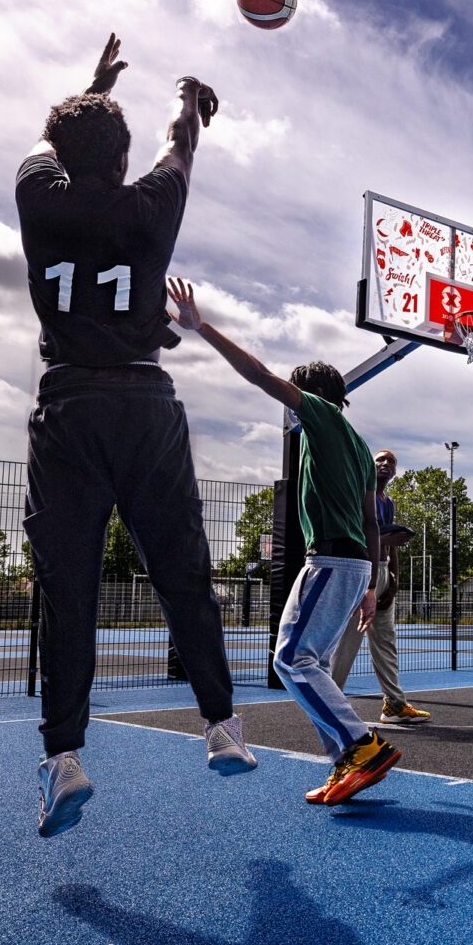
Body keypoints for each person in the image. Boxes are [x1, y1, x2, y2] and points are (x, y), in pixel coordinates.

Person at [16, 35, 255, 839]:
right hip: (145, 405)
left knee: (69, 588)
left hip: (71, 405)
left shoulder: (36, 195)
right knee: (183, 571)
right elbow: (178, 146)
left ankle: (65, 760)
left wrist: (92, 85)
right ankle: (222, 728)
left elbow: (48, 141)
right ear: (122, 160)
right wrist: (188, 100)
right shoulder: (152, 204)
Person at [164, 277, 401, 806]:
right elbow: (372, 519)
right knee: (302, 662)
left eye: (296, 400)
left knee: (293, 660)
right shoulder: (362, 449)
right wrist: (371, 583)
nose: (291, 410)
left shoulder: (321, 415)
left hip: (334, 560)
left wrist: (202, 328)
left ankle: (362, 746)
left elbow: (258, 374)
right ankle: (348, 759)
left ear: (312, 396)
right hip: (355, 564)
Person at [331, 450, 431, 724]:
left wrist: (394, 579)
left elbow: (389, 544)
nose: (386, 464)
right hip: (361, 571)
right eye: (381, 460)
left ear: (395, 472)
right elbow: (359, 533)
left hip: (383, 571)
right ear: (369, 466)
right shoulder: (359, 495)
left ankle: (394, 705)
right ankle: (329, 703)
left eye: (392, 462)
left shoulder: (388, 501)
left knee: (385, 641)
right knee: (349, 641)